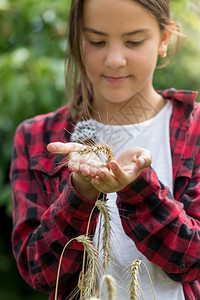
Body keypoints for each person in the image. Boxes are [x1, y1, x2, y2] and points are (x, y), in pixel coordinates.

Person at [10, 0, 200, 299]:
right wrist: (80, 192)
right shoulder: (37, 137)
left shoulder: (194, 129)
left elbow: (193, 260)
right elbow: (41, 273)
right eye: (96, 41)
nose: (114, 59)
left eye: (133, 41)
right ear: (77, 41)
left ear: (164, 40)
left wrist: (140, 190)